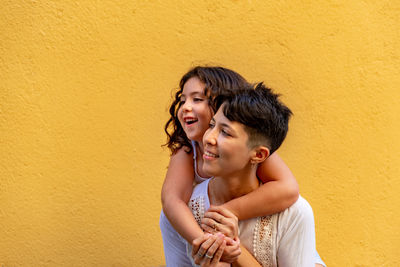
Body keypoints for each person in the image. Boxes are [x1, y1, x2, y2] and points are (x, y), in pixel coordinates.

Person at [160, 66, 325, 266]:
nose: (185, 106)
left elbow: (288, 189)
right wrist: (207, 242)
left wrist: (224, 215)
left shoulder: (261, 156)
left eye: (197, 99)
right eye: (183, 99)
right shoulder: (186, 154)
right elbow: (171, 200)